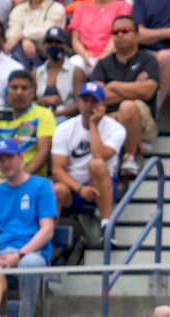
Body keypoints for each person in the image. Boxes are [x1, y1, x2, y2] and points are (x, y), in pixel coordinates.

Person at [0, 137, 58, 317]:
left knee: (29, 264)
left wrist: (19, 255)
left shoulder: (41, 186)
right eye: (0, 159)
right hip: (1, 251)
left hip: (31, 252)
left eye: (9, 157)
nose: (5, 163)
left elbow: (47, 230)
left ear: (21, 157)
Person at [90, 13, 159, 176]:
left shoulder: (149, 60)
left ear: (137, 35)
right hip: (108, 116)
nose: (120, 35)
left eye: (125, 30)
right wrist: (134, 87)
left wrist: (113, 86)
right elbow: (97, 98)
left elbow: (147, 91)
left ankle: (129, 158)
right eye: (115, 32)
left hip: (141, 117)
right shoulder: (103, 63)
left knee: (127, 107)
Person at [0, 69, 56, 197]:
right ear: (6, 91)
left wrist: (21, 178)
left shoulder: (43, 114)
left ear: (33, 92)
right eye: (14, 87)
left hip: (29, 177)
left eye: (24, 88)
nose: (19, 92)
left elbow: (43, 153)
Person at [51, 81, 124, 226]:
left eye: (94, 101)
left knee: (96, 164)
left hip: (103, 187)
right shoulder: (64, 128)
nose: (89, 105)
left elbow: (99, 156)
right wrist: (80, 189)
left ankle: (106, 225)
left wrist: (93, 124)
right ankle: (47, 237)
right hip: (74, 187)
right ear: (78, 102)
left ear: (104, 105)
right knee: (57, 189)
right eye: (85, 100)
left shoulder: (116, 129)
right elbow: (57, 170)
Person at [36, 26, 87, 121]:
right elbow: (29, 103)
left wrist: (55, 115)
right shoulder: (36, 73)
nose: (53, 45)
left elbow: (79, 103)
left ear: (66, 46)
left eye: (58, 42)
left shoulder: (76, 71)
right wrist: (44, 100)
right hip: (39, 119)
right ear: (44, 46)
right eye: (49, 42)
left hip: (66, 119)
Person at [69, 0, 132, 71]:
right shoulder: (82, 8)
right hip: (86, 56)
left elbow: (119, 33)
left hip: (112, 55)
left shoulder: (123, 6)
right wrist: (84, 53)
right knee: (73, 64)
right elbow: (75, 39)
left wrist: (105, 54)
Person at [8, 0, 66, 66]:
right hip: (22, 50)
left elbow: (47, 32)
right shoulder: (18, 10)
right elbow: (11, 33)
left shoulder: (56, 8)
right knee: (15, 47)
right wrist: (24, 40)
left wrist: (20, 36)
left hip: (46, 55)